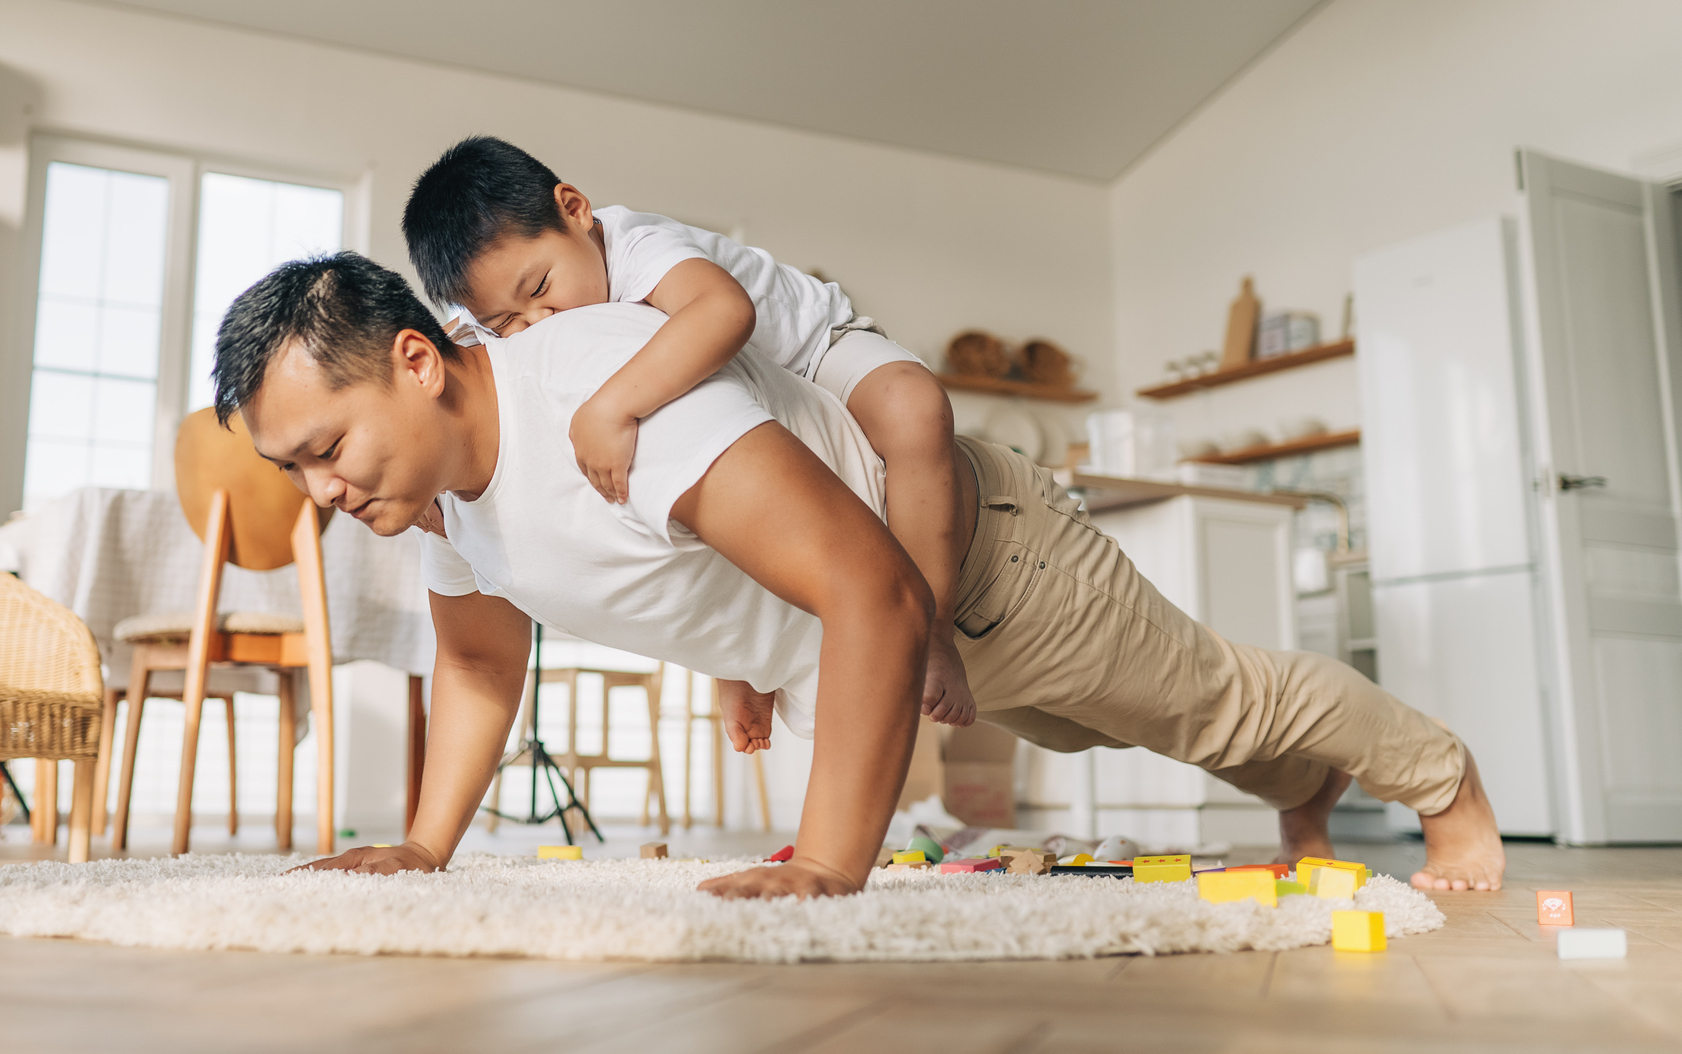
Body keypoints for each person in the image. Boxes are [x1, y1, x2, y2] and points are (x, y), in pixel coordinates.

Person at [216, 252, 1508, 899]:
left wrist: (833, 866)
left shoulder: (605, 391)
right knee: (1107, 717)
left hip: (983, 557)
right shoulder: (438, 498)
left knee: (1202, 700)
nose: (324, 494)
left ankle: (1445, 786)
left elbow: (875, 591)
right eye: (298, 470)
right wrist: (424, 845)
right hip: (887, 624)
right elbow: (487, 661)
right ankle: (1306, 780)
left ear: (417, 358)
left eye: (327, 449)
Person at [401, 136, 975, 741]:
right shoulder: (496, 317)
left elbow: (724, 311)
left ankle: (934, 634)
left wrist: (614, 406)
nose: (542, 325)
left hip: (815, 356)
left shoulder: (638, 245)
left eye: (541, 288)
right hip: (747, 403)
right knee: (704, 492)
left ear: (574, 210)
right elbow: (449, 364)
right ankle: (746, 669)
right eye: (508, 323)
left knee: (916, 408)